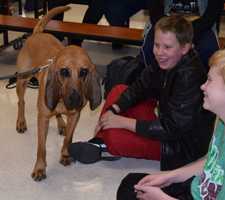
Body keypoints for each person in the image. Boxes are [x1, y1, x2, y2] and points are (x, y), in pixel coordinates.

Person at [116, 49, 225, 200]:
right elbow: (213, 161)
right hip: (202, 190)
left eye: (210, 80)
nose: (203, 86)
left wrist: (161, 198)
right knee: (131, 186)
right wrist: (170, 176)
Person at [68, 15, 216, 171]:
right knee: (119, 90)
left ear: (185, 48)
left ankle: (103, 142)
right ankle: (102, 136)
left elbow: (171, 129)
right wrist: (113, 110)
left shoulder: (189, 76)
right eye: (156, 45)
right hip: (164, 116)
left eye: (167, 47)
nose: (159, 52)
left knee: (116, 138)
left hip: (178, 144)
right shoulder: (166, 60)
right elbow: (139, 87)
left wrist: (122, 122)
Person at [141, 0, 223, 70]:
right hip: (166, 20)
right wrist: (171, 32)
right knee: (149, 48)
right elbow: (155, 11)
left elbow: (211, 14)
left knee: (208, 50)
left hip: (200, 23)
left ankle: (203, 83)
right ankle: (155, 81)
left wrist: (189, 34)